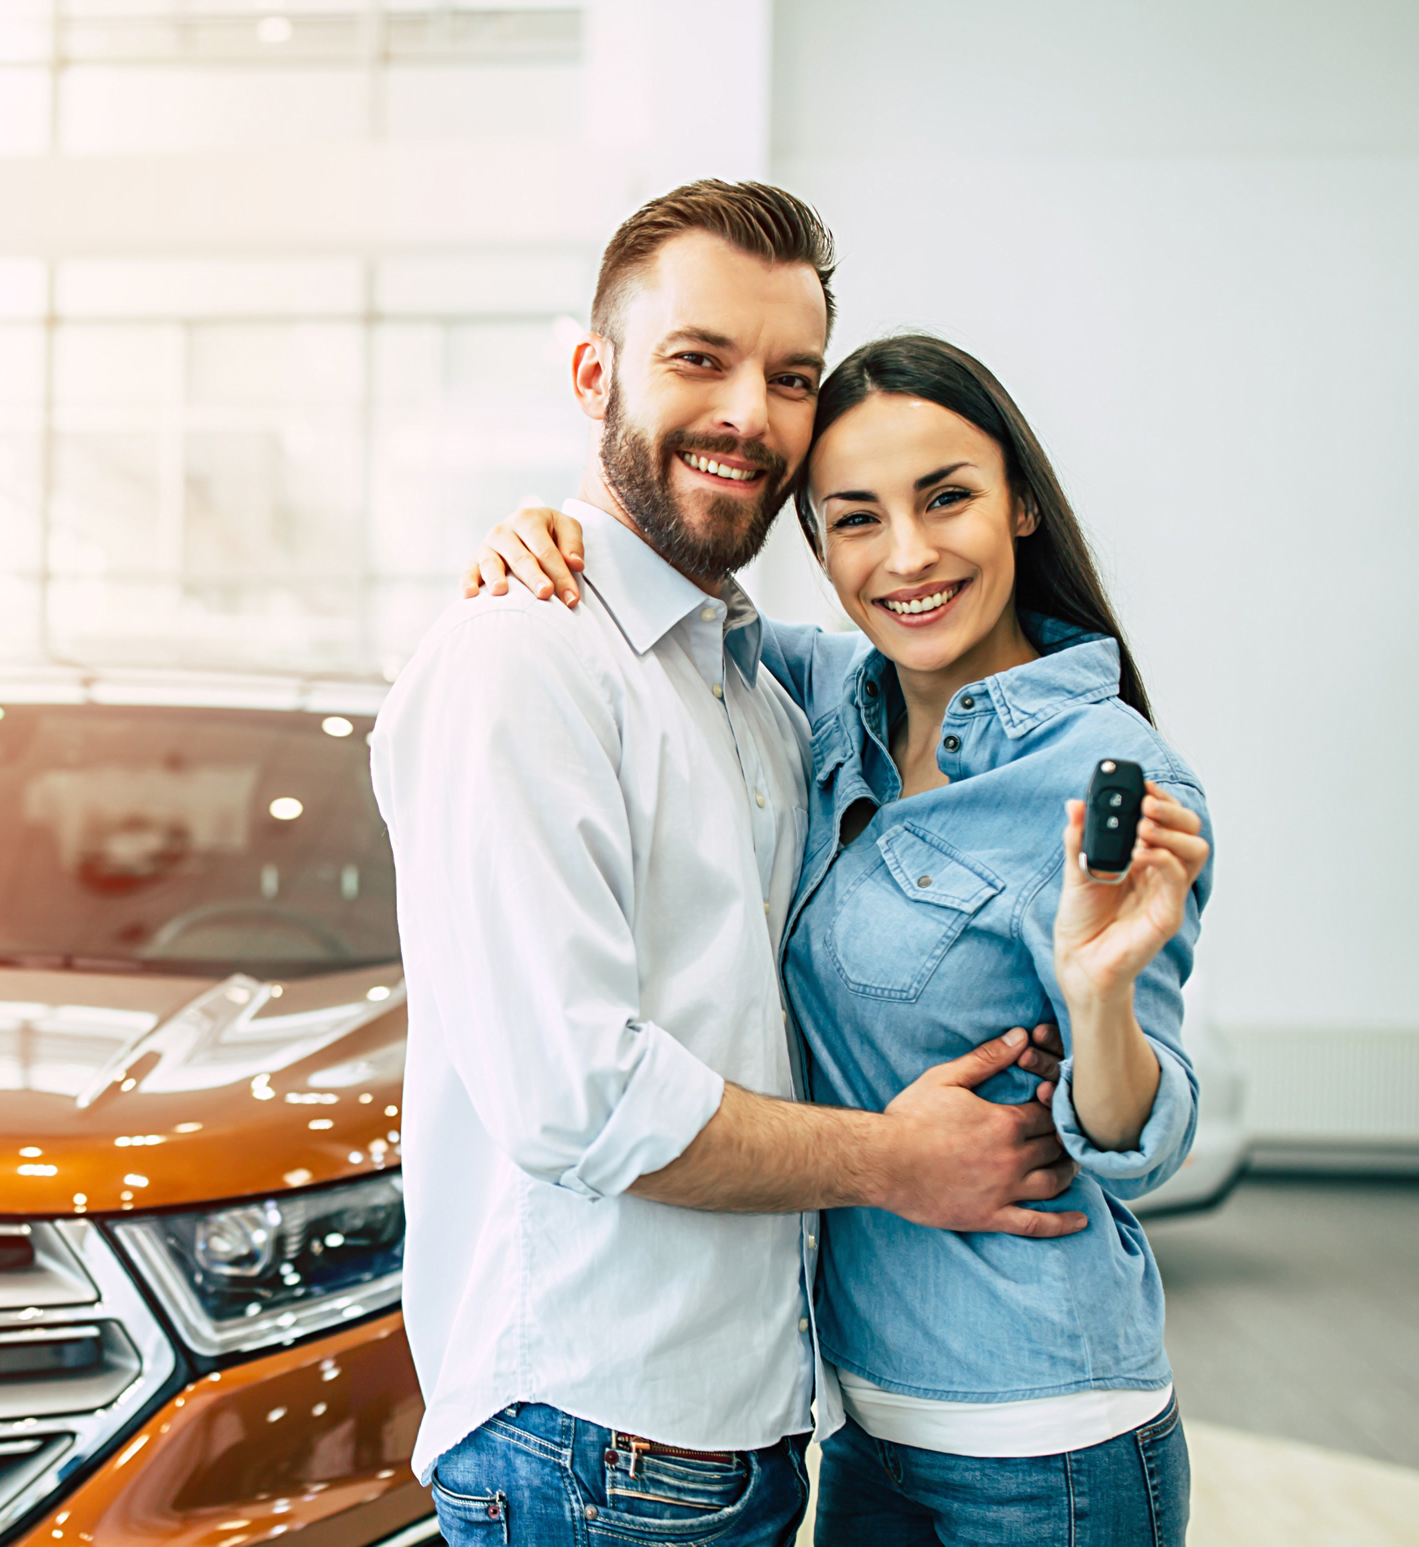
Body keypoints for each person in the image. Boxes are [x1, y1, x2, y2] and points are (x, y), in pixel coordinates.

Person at [369, 181, 1090, 1547]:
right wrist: (894, 1159)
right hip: (586, 1438)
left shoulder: (756, 684)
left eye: (790, 374)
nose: (749, 414)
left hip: (739, 1425)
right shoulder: (523, 658)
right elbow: (579, 1096)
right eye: (698, 358)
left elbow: (944, 650)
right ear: (595, 376)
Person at [466, 332, 1211, 1546]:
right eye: (853, 518)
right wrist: (548, 534)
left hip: (1049, 1439)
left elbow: (1141, 1142)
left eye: (946, 497)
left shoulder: (1105, 772)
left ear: (1020, 501)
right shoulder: (816, 696)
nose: (906, 556)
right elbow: (662, 614)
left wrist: (1102, 993)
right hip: (862, 1427)